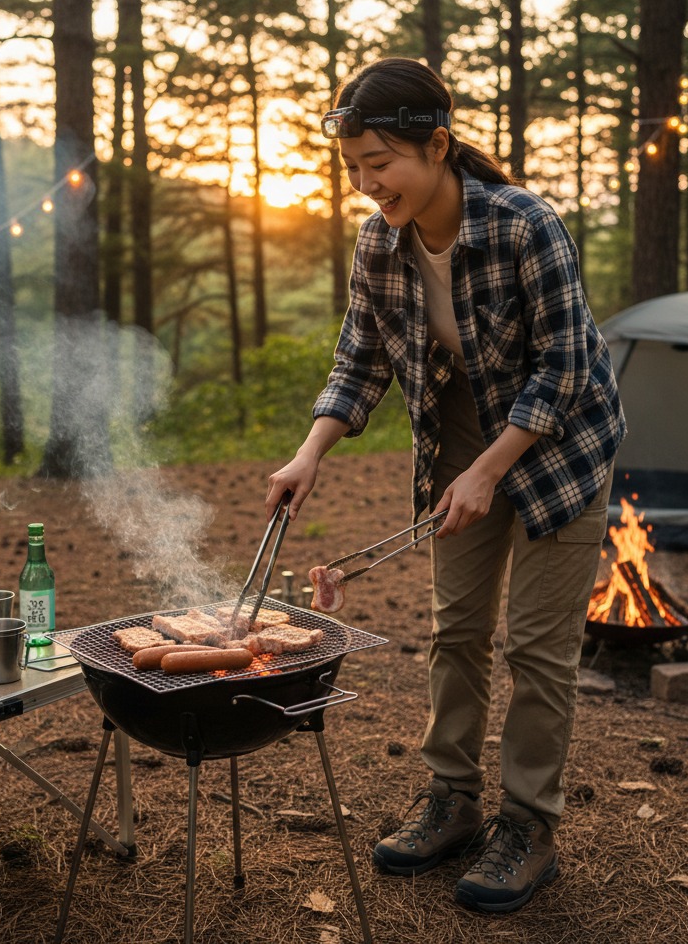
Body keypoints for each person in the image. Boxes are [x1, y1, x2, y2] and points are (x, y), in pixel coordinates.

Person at [265, 57, 626, 914]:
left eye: (380, 164)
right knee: (455, 629)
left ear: (436, 147)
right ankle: (452, 800)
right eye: (354, 168)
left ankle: (528, 825)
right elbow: (360, 360)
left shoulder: (524, 224)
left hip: (561, 439)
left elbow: (565, 367)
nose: (366, 185)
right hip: (464, 432)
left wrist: (490, 471)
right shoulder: (378, 243)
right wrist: (309, 454)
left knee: (536, 646)